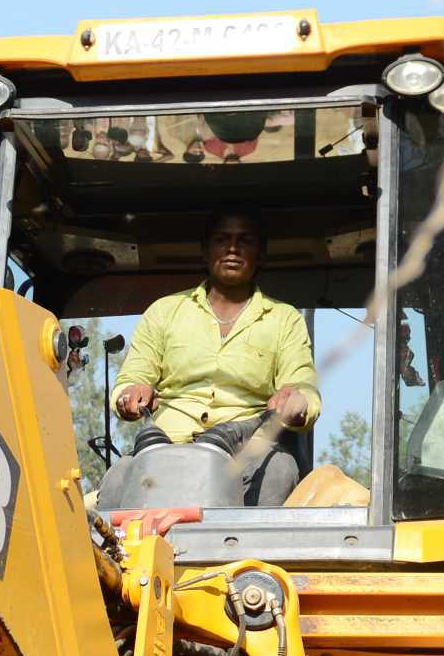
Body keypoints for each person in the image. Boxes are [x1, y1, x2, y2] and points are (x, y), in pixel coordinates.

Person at [111, 213, 320, 505]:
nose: (232, 249)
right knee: (116, 478)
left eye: (244, 241)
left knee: (280, 470)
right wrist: (131, 393)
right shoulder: (164, 311)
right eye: (222, 240)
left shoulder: (284, 319)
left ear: (260, 255)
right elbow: (130, 379)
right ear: (205, 252)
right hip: (165, 447)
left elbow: (303, 388)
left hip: (247, 455)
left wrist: (298, 402)